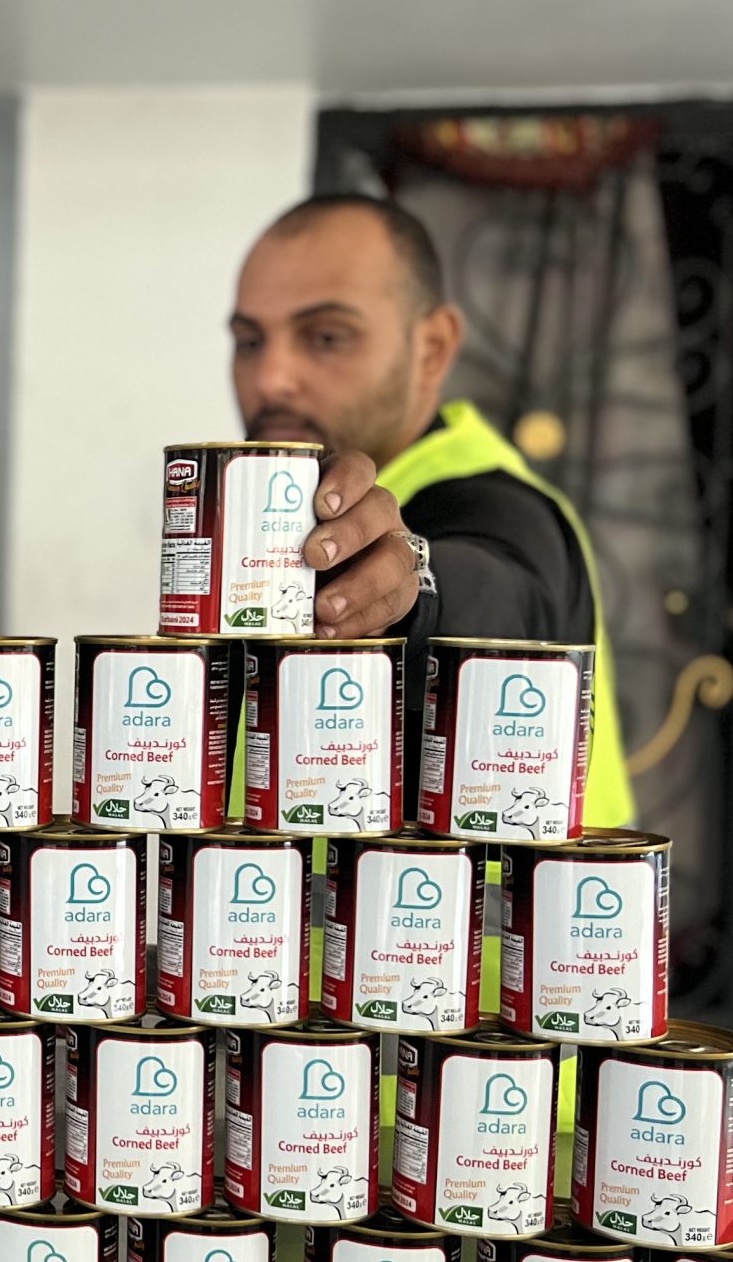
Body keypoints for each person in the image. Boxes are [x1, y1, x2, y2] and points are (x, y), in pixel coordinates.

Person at [225, 191, 633, 825]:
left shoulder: (503, 509)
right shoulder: (275, 523)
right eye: (250, 342)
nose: (271, 377)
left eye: (326, 336)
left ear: (434, 347)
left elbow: (491, 590)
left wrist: (411, 595)